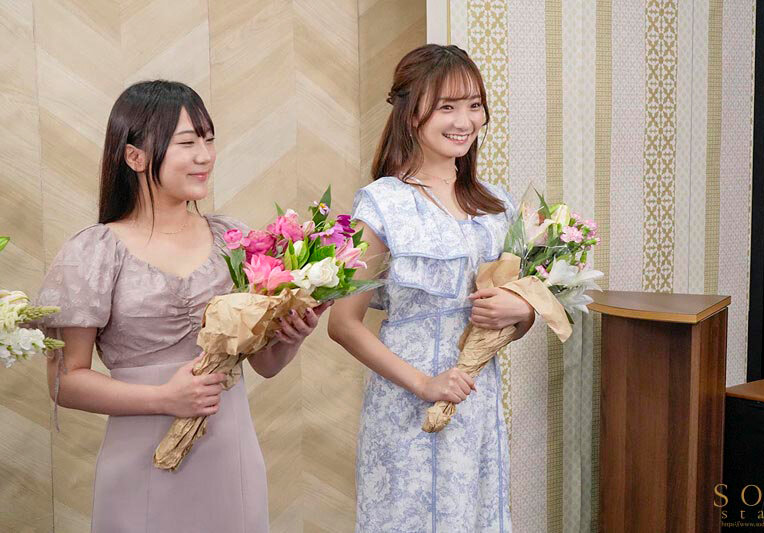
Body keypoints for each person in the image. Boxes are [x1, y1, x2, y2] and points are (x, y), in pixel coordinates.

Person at [37, 80, 328, 532]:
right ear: (134, 157)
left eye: (209, 140)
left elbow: (265, 365)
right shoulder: (93, 251)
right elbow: (65, 382)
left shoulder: (233, 240)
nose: (205, 156)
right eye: (188, 143)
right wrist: (163, 398)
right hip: (140, 457)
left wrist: (292, 335)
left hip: (229, 454)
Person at [328, 44, 535, 532]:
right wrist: (424, 384)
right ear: (411, 111)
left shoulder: (497, 205)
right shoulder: (382, 203)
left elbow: (512, 322)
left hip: (476, 402)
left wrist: (521, 312)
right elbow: (342, 324)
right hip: (407, 404)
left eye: (474, 105)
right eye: (447, 107)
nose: (465, 121)